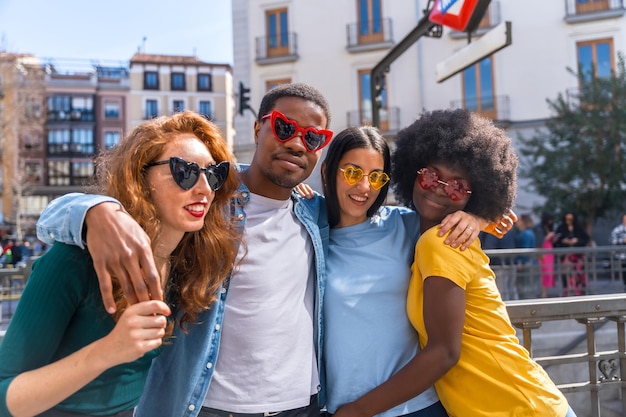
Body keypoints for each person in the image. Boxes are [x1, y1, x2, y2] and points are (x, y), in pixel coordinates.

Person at [35, 84, 481, 417]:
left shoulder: (318, 214)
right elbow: (62, 215)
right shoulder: (208, 201)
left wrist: (482, 214)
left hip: (303, 406)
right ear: (259, 127)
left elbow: (434, 216)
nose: (296, 143)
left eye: (312, 138)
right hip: (212, 405)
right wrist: (95, 211)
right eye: (285, 128)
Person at [331, 109, 576, 417]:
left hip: (520, 407)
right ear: (414, 173)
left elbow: (444, 352)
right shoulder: (422, 234)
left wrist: (355, 411)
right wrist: (481, 218)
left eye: (458, 186)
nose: (441, 188)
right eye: (431, 175)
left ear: (475, 196)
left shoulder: (441, 242)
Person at [0, 111, 239, 417]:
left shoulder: (188, 266)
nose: (204, 188)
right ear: (140, 177)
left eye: (213, 173)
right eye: (185, 171)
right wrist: (108, 351)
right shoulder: (74, 261)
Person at [554, 211, 590, 296]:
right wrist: (564, 241)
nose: (569, 221)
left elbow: (586, 238)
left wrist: (576, 241)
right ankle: (567, 293)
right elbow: (556, 240)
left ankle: (580, 292)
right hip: (566, 257)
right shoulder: (561, 228)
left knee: (579, 275)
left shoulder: (579, 228)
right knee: (566, 275)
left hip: (577, 256)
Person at [480, 229, 517, 300]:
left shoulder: (492, 231)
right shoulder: (509, 229)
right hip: (511, 262)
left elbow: (489, 247)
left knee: (502, 291)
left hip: (499, 264)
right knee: (511, 289)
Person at [514, 213, 536, 299]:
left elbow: (525, 250)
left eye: (519, 220)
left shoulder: (525, 234)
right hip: (530, 262)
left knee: (525, 285)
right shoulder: (529, 233)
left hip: (525, 263)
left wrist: (521, 262)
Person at [537, 212, 557, 298]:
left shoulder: (549, 228)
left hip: (549, 251)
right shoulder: (539, 228)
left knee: (549, 272)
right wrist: (548, 237)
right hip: (543, 251)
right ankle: (543, 293)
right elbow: (540, 241)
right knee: (544, 272)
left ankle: (545, 292)